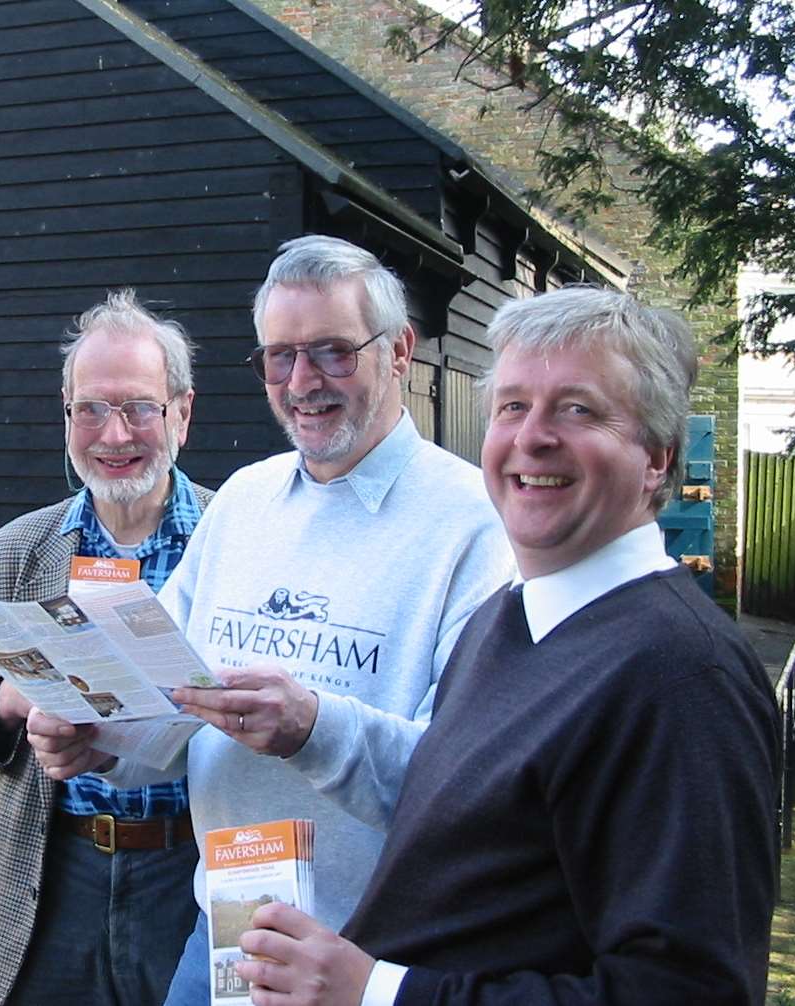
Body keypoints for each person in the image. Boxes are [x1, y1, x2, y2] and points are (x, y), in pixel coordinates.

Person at [231, 286, 781, 1005]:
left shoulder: (681, 675)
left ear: (657, 458)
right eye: (513, 406)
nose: (532, 437)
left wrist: (381, 993)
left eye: (578, 409)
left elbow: (686, 992)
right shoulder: (508, 617)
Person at [26, 235, 514, 1005]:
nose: (302, 382)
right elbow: (168, 705)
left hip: (377, 957)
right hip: (226, 935)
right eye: (279, 357)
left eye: (331, 353)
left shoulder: (476, 524)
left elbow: (470, 787)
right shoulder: (245, 503)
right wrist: (101, 739)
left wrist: (313, 728)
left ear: (401, 352)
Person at [0, 289, 214, 1006]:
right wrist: (13, 696)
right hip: (55, 868)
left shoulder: (239, 539)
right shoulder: (13, 555)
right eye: (90, 408)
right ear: (66, 416)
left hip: (194, 866)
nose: (113, 433)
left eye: (138, 407)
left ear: (182, 413)